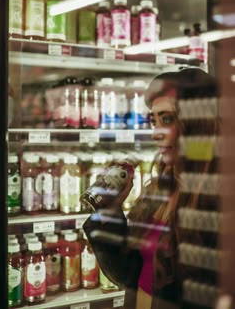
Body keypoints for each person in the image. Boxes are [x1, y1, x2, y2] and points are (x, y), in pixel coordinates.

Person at [83, 67, 219, 309]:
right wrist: (111, 210)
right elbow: (132, 274)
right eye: (154, 120)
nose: (156, 133)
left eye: (167, 119)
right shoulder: (162, 185)